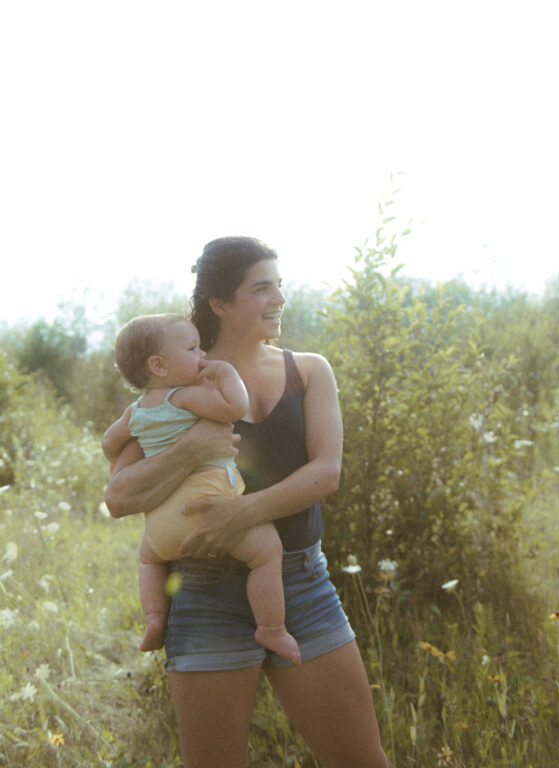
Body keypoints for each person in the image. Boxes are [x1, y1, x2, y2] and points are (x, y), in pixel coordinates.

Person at [105, 237, 391, 768]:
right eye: (262, 288)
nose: (279, 298)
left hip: (301, 583)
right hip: (203, 591)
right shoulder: (179, 378)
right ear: (219, 303)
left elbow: (325, 474)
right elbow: (119, 497)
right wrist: (195, 445)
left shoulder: (309, 371)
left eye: (279, 285)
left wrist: (244, 513)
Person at [103, 313, 301, 664]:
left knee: (148, 558)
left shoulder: (135, 413)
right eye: (193, 349)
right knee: (267, 550)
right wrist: (226, 374)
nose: (203, 356)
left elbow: (108, 443)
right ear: (159, 366)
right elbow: (233, 408)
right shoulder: (184, 397)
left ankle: (154, 618)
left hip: (162, 526)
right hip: (207, 506)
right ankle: (271, 628)